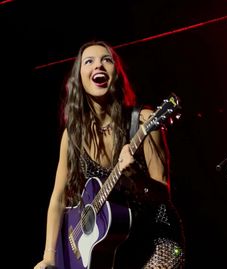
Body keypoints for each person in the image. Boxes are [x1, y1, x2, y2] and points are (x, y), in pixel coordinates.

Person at [33, 40, 185, 269]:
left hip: (156, 239)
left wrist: (136, 177)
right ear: (79, 78)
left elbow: (163, 193)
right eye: (89, 61)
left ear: (117, 74)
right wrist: (49, 256)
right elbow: (58, 198)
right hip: (112, 246)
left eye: (107, 60)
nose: (99, 66)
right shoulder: (73, 135)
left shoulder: (143, 120)